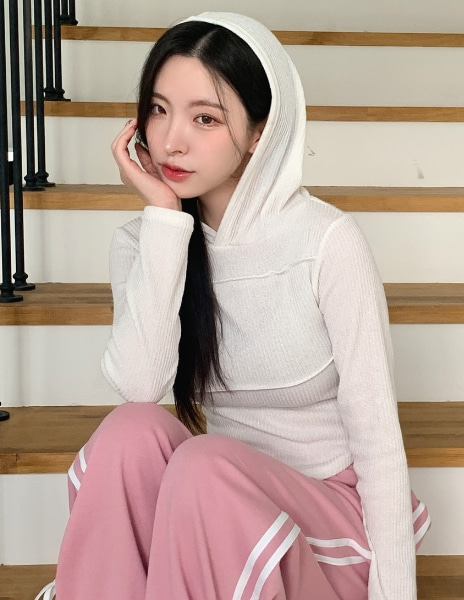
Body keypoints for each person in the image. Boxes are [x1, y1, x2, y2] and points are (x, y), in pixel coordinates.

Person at [35, 11, 430, 600]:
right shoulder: (146, 242)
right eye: (158, 110)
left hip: (324, 531)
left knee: (204, 463)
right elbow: (141, 386)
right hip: (209, 517)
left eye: (205, 118)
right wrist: (165, 221)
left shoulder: (326, 241)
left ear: (259, 133)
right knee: (130, 430)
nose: (172, 140)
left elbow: (378, 437)